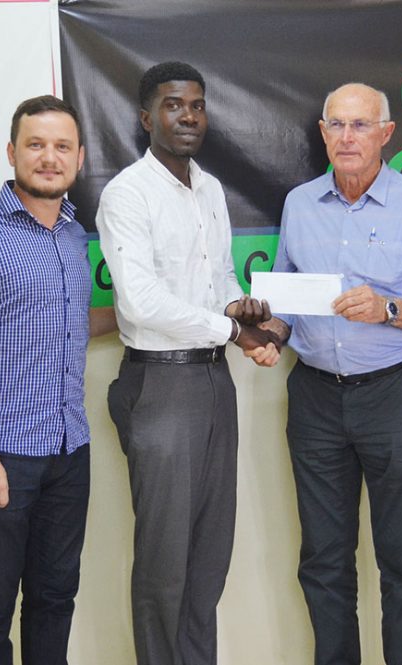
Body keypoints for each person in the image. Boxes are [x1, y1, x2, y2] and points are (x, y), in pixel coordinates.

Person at [261, 82, 402, 665]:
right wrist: (269, 334)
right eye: (337, 126)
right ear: (322, 134)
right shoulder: (299, 203)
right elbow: (286, 300)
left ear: (386, 134)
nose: (347, 137)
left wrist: (390, 309)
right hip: (315, 400)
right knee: (323, 562)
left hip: (394, 396)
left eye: (360, 125)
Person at [94, 61, 277, 665]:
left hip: (212, 380)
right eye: (173, 105)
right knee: (164, 560)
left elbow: (219, 276)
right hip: (160, 383)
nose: (188, 115)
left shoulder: (211, 189)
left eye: (197, 104)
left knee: (208, 551)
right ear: (147, 118)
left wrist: (239, 312)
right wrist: (234, 328)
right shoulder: (126, 193)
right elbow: (142, 300)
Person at [0, 95, 116, 664]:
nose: (48, 157)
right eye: (35, 144)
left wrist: (149, 319)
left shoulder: (72, 233)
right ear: (12, 152)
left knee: (55, 599)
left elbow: (67, 321)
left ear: (80, 158)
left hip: (69, 450)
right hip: (1, 455)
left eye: (62, 146)